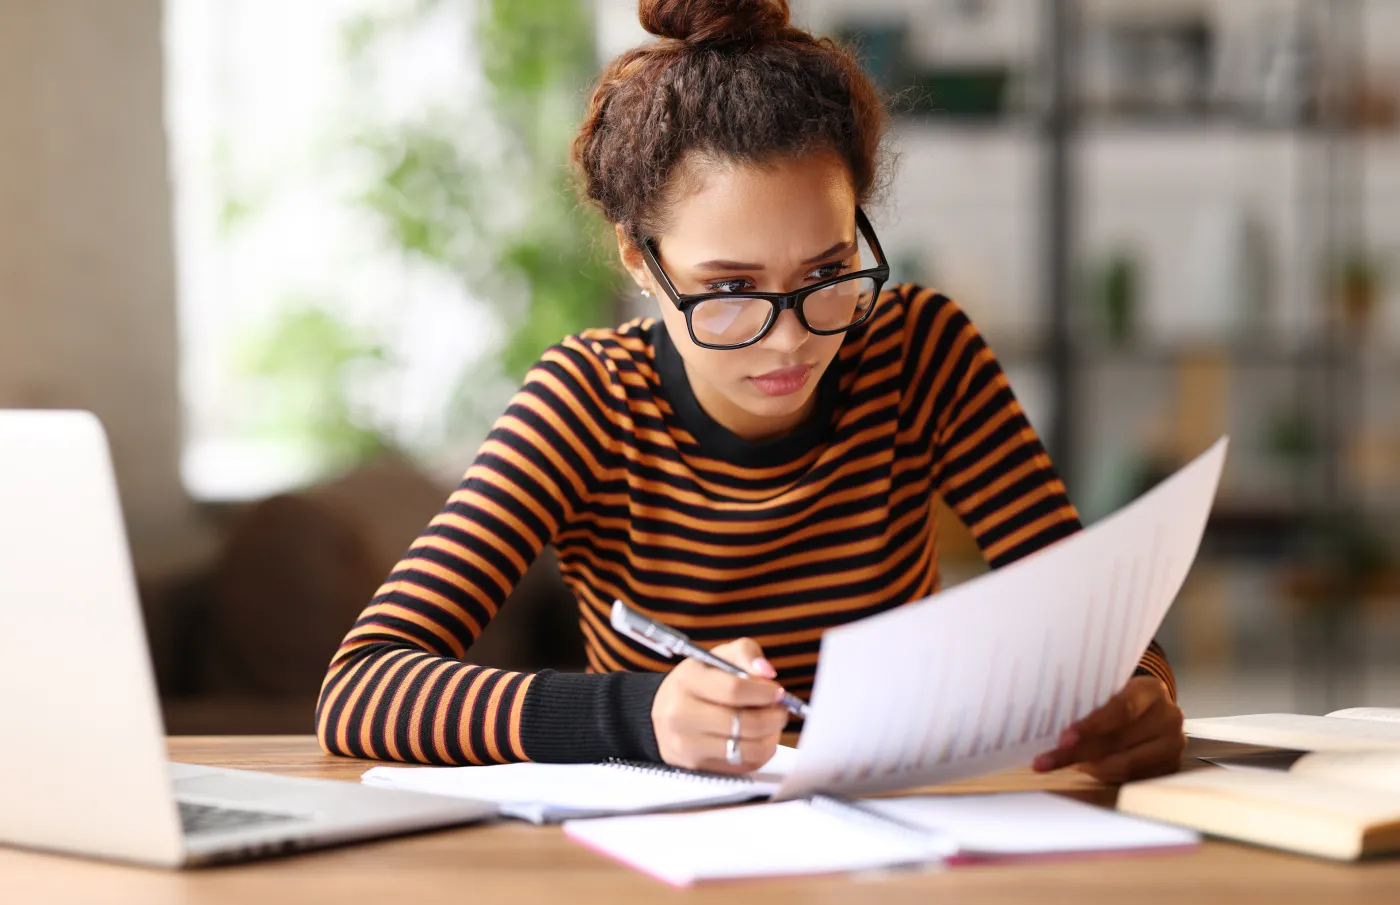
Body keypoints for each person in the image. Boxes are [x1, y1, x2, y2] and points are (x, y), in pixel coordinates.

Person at [316, 0, 1184, 783]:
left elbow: (1100, 625)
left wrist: (1136, 693)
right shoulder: (585, 402)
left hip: (892, 840)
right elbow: (360, 689)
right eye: (730, 290)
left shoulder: (921, 353)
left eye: (829, 271)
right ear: (639, 260)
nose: (791, 337)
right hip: (661, 850)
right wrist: (640, 712)